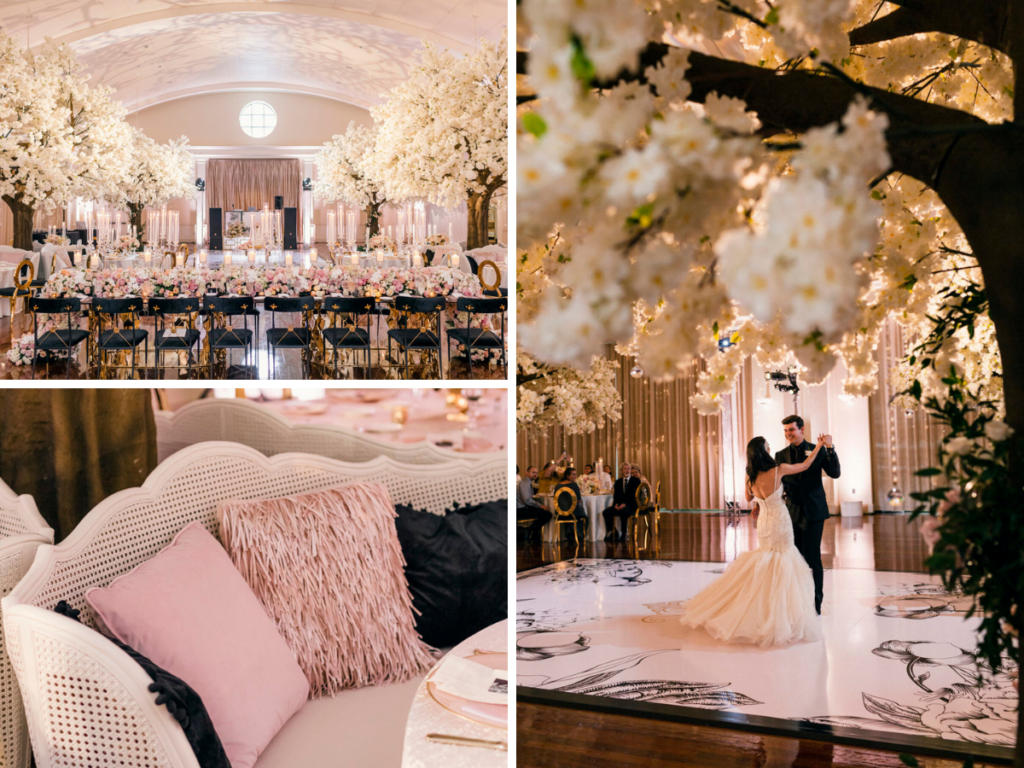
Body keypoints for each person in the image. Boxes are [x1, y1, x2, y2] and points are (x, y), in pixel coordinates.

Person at [679, 434, 827, 647]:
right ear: (764, 451)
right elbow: (805, 465)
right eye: (768, 445)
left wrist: (759, 501)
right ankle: (782, 614)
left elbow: (749, 499)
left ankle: (763, 608)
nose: (770, 447)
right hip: (780, 519)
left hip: (765, 521)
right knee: (784, 558)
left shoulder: (749, 475)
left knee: (767, 558)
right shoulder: (778, 469)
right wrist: (820, 445)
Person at [775, 414, 841, 615]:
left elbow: (835, 473)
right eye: (786, 431)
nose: (788, 434)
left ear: (802, 430)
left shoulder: (817, 449)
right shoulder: (780, 455)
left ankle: (816, 602)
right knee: (795, 557)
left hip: (813, 511)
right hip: (791, 512)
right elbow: (777, 483)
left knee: (813, 557)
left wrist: (830, 448)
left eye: (791, 430)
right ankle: (798, 600)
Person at [604, 463, 639, 542]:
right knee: (606, 512)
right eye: (625, 469)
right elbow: (616, 495)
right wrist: (616, 505)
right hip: (620, 504)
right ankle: (612, 531)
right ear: (621, 471)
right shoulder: (618, 482)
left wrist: (625, 504)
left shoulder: (636, 481)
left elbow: (634, 496)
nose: (627, 470)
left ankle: (624, 533)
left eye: (628, 469)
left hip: (631, 504)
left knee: (624, 511)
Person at [517, 466, 552, 543]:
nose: (535, 474)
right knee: (547, 514)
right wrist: (541, 505)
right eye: (533, 472)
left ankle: (533, 533)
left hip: (523, 508)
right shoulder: (525, 483)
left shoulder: (528, 482)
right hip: (520, 509)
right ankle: (529, 530)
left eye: (536, 473)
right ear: (527, 472)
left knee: (543, 513)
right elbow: (527, 500)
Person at [552, 466, 588, 540]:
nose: (575, 476)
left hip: (560, 512)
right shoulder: (573, 485)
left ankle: (571, 533)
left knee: (569, 511)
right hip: (572, 512)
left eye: (575, 474)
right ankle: (579, 534)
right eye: (573, 474)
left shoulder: (558, 485)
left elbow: (555, 498)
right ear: (567, 476)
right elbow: (578, 500)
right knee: (584, 516)